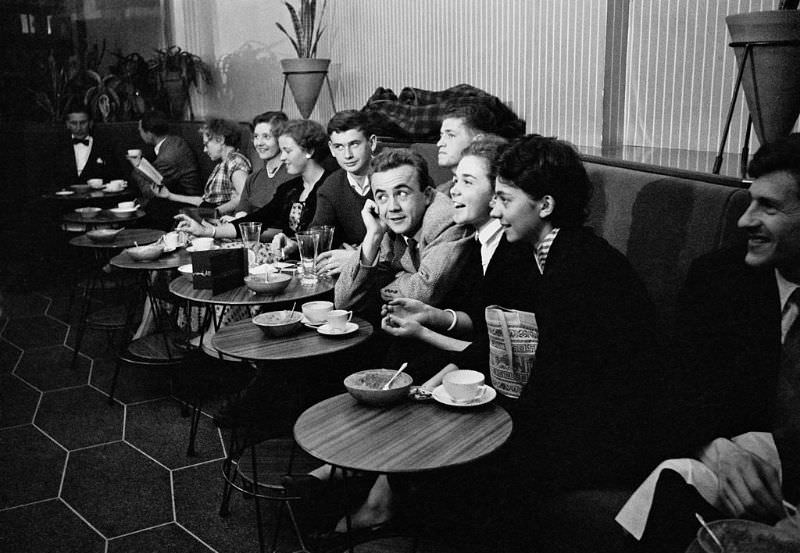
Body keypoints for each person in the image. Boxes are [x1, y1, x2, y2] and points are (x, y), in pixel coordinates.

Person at [633, 133, 800, 553]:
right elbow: (668, 390)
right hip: (730, 483)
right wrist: (710, 445)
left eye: (769, 207)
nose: (745, 220)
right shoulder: (720, 278)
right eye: (749, 200)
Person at [381, 136, 533, 352]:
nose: (454, 191)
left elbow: (491, 350)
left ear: (497, 192)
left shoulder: (515, 250)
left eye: (468, 182)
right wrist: (428, 313)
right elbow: (478, 317)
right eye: (455, 179)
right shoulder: (475, 241)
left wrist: (423, 332)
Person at [333, 148, 475, 320]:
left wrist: (381, 284)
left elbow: (424, 293)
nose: (393, 207)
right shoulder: (390, 222)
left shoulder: (445, 219)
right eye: (382, 197)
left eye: (402, 193)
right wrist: (373, 236)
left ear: (427, 195)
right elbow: (343, 302)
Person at [175, 119, 333, 257]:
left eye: (288, 151)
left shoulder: (332, 186)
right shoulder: (290, 189)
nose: (283, 157)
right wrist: (207, 232)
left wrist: (294, 244)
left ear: (309, 151)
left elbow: (323, 237)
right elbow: (257, 219)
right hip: (288, 265)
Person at [311, 110, 378, 277]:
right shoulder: (331, 187)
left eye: (354, 144)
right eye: (339, 147)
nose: (347, 155)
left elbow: (406, 241)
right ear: (331, 149)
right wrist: (293, 245)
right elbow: (319, 236)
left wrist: (358, 255)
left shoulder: (392, 176)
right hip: (351, 274)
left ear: (372, 143)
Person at [151, 117, 251, 217]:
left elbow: (245, 196)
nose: (204, 150)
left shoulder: (235, 161)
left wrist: (214, 212)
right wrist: (170, 196)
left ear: (220, 139)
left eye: (206, 144)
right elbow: (204, 202)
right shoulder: (222, 165)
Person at [128, 110, 202, 229]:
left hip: (187, 204)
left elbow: (150, 191)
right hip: (179, 198)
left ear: (150, 134)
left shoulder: (168, 156)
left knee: (143, 214)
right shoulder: (174, 141)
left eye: (140, 131)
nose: (139, 133)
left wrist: (136, 166)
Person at [435, 100, 525, 195]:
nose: (440, 143)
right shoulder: (440, 192)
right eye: (441, 135)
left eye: (451, 135)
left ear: (478, 140)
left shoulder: (502, 191)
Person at [220, 111, 290, 221]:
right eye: (256, 137)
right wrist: (237, 223)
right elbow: (242, 212)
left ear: (280, 139)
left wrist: (241, 224)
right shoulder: (252, 179)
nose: (259, 143)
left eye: (266, 137)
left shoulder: (292, 176)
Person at [52, 104, 123, 187]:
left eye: (83, 123)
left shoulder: (105, 147)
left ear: (90, 123)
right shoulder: (57, 148)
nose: (78, 128)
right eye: (74, 123)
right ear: (67, 124)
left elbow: (115, 177)